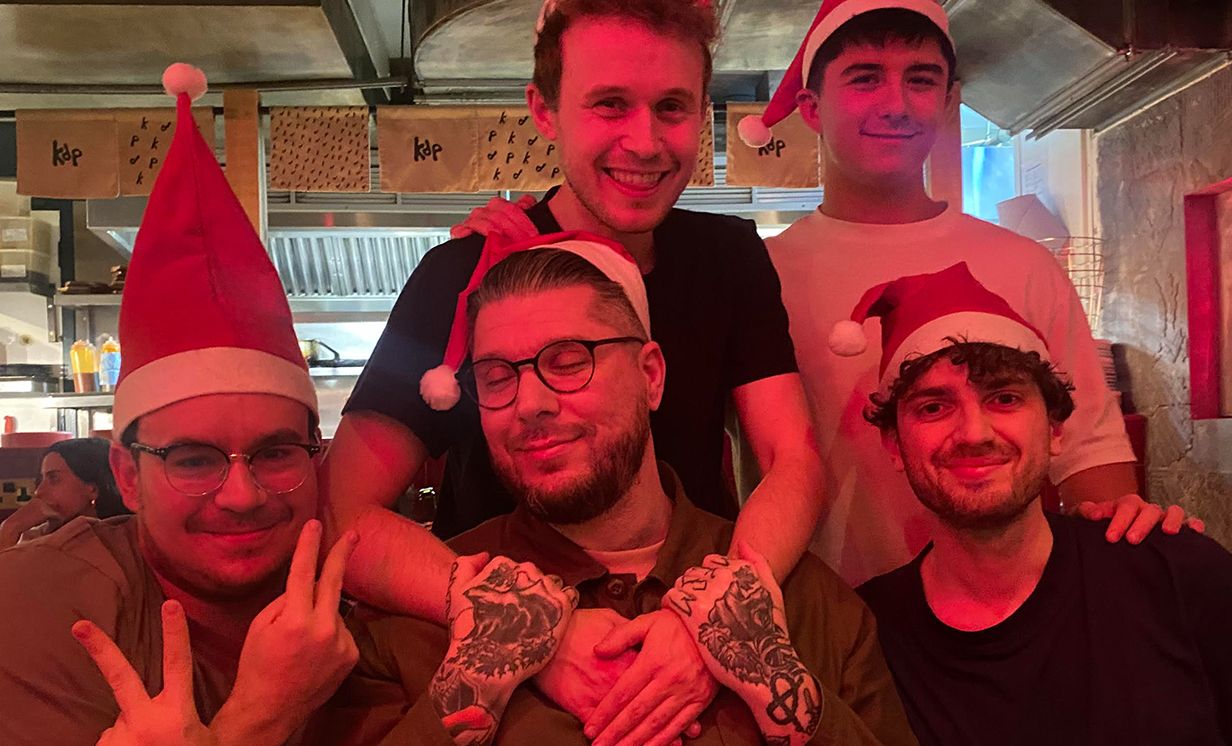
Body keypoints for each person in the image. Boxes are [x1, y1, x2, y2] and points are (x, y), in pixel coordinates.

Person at [323, 2, 821, 740]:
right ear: (545, 111)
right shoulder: (460, 275)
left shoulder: (729, 260)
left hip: (687, 638)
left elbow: (793, 459)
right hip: (498, 678)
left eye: (672, 107)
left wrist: (712, 621)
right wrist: (528, 626)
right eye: (609, 104)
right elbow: (345, 515)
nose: (644, 142)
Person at [320, 238, 915, 746]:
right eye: (496, 378)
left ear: (650, 376)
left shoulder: (811, 604)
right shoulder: (406, 630)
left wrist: (782, 692)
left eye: (568, 362)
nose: (529, 404)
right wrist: (468, 688)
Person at [740, 0, 1196, 585]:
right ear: (811, 107)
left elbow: (1090, 449)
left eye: (921, 79)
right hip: (813, 618)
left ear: (949, 100)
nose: (896, 104)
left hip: (1004, 615)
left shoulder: (1023, 265)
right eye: (865, 78)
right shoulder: (759, 274)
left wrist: (1125, 554)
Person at [0, 64, 358, 744]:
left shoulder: (365, 592)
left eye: (276, 452)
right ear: (127, 475)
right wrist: (261, 719)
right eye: (193, 459)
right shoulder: (36, 601)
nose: (243, 496)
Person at [849, 264, 1232, 746]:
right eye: (933, 407)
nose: (974, 433)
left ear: (1054, 429)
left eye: (1005, 398)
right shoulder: (864, 636)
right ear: (893, 444)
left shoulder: (1175, 572)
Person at [0, 437, 127, 549]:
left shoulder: (118, 544)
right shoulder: (38, 536)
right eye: (42, 479)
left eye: (54, 478)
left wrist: (9, 530)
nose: (39, 491)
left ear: (93, 489)